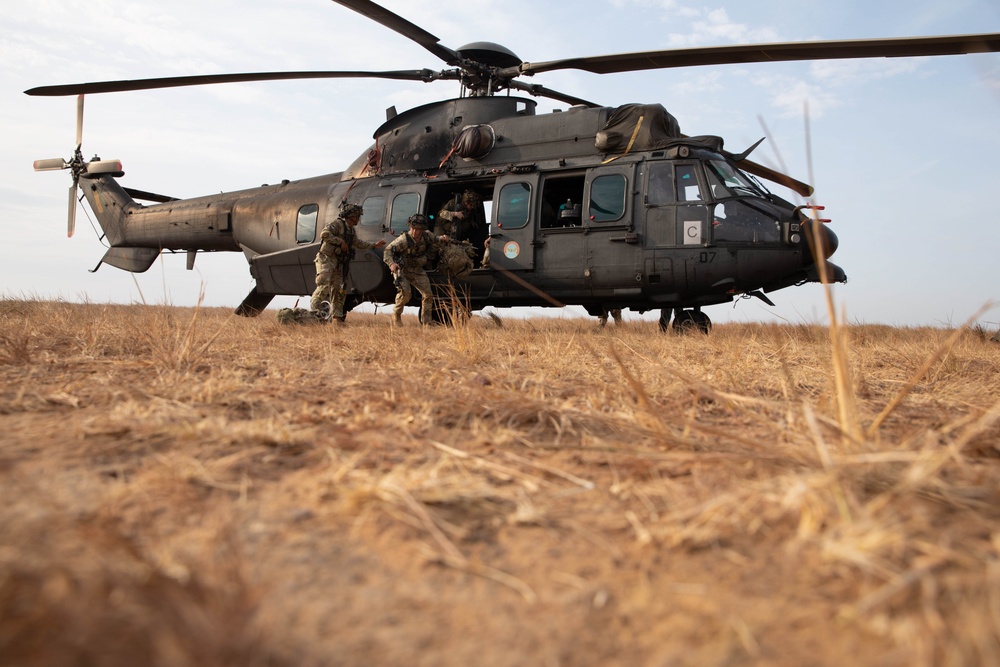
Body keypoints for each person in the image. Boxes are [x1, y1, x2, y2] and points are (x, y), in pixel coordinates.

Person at [310, 203, 386, 323]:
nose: (359, 219)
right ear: (351, 216)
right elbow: (324, 234)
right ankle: (314, 313)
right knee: (323, 284)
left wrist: (374, 245)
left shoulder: (351, 230)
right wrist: (340, 241)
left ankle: (337, 317)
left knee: (338, 289)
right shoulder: (337, 224)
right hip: (326, 258)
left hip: (339, 262)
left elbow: (357, 243)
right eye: (357, 216)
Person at [383, 214, 445, 326]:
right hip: (402, 269)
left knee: (428, 295)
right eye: (414, 229)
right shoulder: (403, 240)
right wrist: (392, 264)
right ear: (410, 227)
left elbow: (435, 238)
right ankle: (396, 315)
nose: (416, 232)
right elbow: (387, 251)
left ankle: (427, 322)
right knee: (405, 293)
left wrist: (442, 238)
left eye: (419, 229)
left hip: (416, 269)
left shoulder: (426, 235)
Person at [436, 189, 488, 266]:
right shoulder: (453, 203)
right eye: (471, 205)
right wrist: (455, 214)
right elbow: (441, 214)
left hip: (456, 230)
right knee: (440, 247)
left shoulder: (469, 208)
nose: (472, 207)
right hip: (443, 228)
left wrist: (471, 221)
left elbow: (467, 214)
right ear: (466, 202)